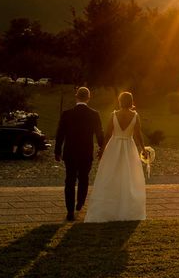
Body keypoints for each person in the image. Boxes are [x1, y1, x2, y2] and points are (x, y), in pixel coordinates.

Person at [84, 91, 147, 222]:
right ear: (131, 101)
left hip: (114, 147)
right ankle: (126, 209)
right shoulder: (135, 115)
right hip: (129, 147)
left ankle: (108, 209)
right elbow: (138, 134)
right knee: (128, 178)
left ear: (120, 101)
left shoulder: (114, 115)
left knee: (110, 176)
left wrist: (102, 150)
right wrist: (143, 149)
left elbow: (107, 134)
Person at [55, 86, 104, 221]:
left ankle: (69, 211)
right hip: (86, 152)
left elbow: (60, 134)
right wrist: (102, 147)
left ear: (76, 97)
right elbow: (99, 133)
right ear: (88, 98)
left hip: (70, 151)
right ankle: (80, 203)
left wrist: (57, 151)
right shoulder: (94, 114)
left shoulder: (67, 114)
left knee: (69, 180)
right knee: (84, 178)